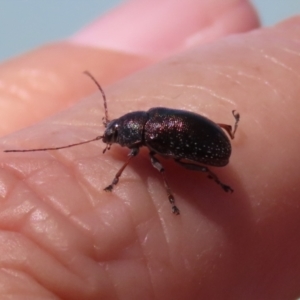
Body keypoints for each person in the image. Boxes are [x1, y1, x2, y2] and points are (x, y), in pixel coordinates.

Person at [1, 0, 300, 299]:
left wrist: (123, 183)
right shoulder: (150, 121)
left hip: (212, 150)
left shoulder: (150, 138)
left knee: (177, 167)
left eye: (116, 133)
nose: (114, 137)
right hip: (208, 136)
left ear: (129, 132)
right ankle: (226, 140)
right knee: (176, 160)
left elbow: (158, 162)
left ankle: (210, 177)